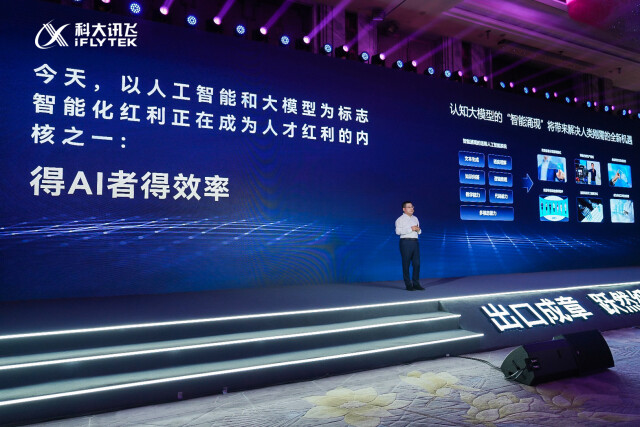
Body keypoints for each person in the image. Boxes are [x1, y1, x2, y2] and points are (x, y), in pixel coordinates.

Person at [395, 201, 425, 291]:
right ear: (404, 209)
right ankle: (408, 284)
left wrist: (418, 230)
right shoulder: (400, 219)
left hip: (415, 242)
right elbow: (398, 232)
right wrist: (411, 229)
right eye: (409, 207)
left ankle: (416, 283)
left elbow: (419, 232)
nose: (412, 208)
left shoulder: (415, 218)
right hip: (405, 242)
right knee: (406, 264)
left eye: (412, 207)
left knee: (417, 264)